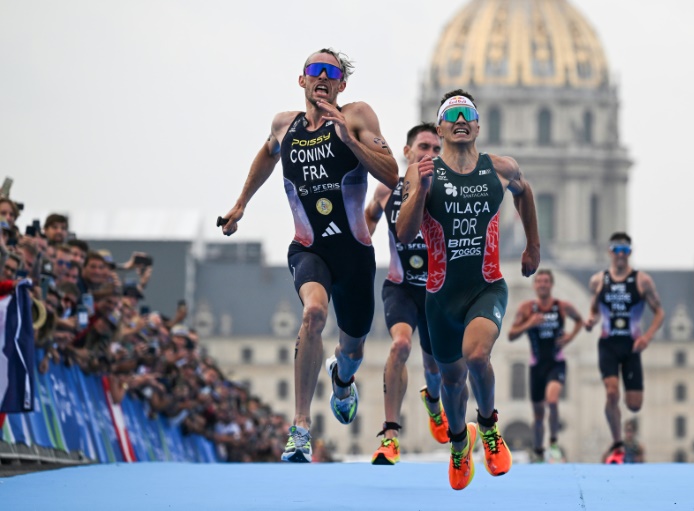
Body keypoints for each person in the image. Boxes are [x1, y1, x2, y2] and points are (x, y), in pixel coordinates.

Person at [220, 48, 398, 463]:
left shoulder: (356, 116)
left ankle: (342, 379)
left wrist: (350, 139)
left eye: (331, 72)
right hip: (308, 248)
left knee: (352, 349)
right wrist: (241, 202)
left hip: (354, 254)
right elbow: (268, 153)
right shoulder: (286, 125)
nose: (322, 76)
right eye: (314, 70)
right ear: (302, 80)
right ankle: (300, 427)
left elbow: (391, 173)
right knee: (313, 314)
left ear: (341, 85)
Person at [397, 89, 540, 490]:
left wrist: (533, 245)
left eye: (468, 114)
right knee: (453, 382)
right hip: (441, 296)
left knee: (477, 355)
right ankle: (461, 445)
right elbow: (404, 233)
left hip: (486, 286)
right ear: (440, 127)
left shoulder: (500, 167)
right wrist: (421, 191)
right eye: (451, 115)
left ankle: (490, 428)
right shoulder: (422, 171)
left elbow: (525, 192)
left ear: (478, 125)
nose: (460, 120)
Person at [363, 123, 448, 465]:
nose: (430, 154)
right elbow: (366, 222)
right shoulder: (387, 190)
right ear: (407, 152)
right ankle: (390, 434)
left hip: (434, 291)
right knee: (399, 345)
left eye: (437, 149)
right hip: (399, 286)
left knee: (433, 364)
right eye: (424, 147)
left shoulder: (446, 192)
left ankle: (434, 399)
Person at [584, 232, 665, 463]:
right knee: (611, 393)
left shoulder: (642, 281)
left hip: (632, 347)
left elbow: (660, 312)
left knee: (634, 404)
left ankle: (620, 434)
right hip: (608, 344)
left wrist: (647, 337)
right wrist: (591, 320)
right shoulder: (598, 280)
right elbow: (594, 309)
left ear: (630, 253)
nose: (621, 255)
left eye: (625, 251)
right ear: (610, 252)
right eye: (617, 250)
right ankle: (618, 443)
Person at [507, 269, 583, 463]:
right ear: (534, 286)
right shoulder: (526, 309)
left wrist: (570, 336)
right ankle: (539, 450)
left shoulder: (562, 306)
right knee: (539, 414)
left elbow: (580, 320)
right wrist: (529, 324)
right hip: (536, 366)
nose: (542, 285)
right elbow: (511, 334)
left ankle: (554, 443)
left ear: (551, 285)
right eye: (539, 281)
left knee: (552, 399)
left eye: (546, 281)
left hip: (556, 363)